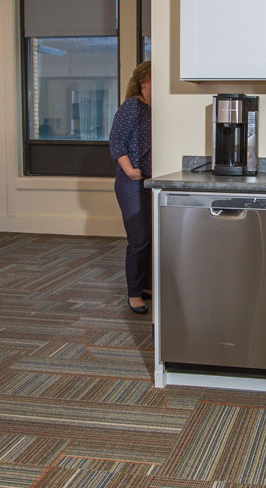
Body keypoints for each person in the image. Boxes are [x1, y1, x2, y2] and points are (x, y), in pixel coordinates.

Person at [109, 61, 152, 314]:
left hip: (150, 180)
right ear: (143, 82)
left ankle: (146, 285)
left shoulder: (157, 109)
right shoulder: (132, 106)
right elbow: (116, 141)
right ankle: (134, 294)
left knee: (151, 237)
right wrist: (130, 170)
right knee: (139, 238)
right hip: (131, 182)